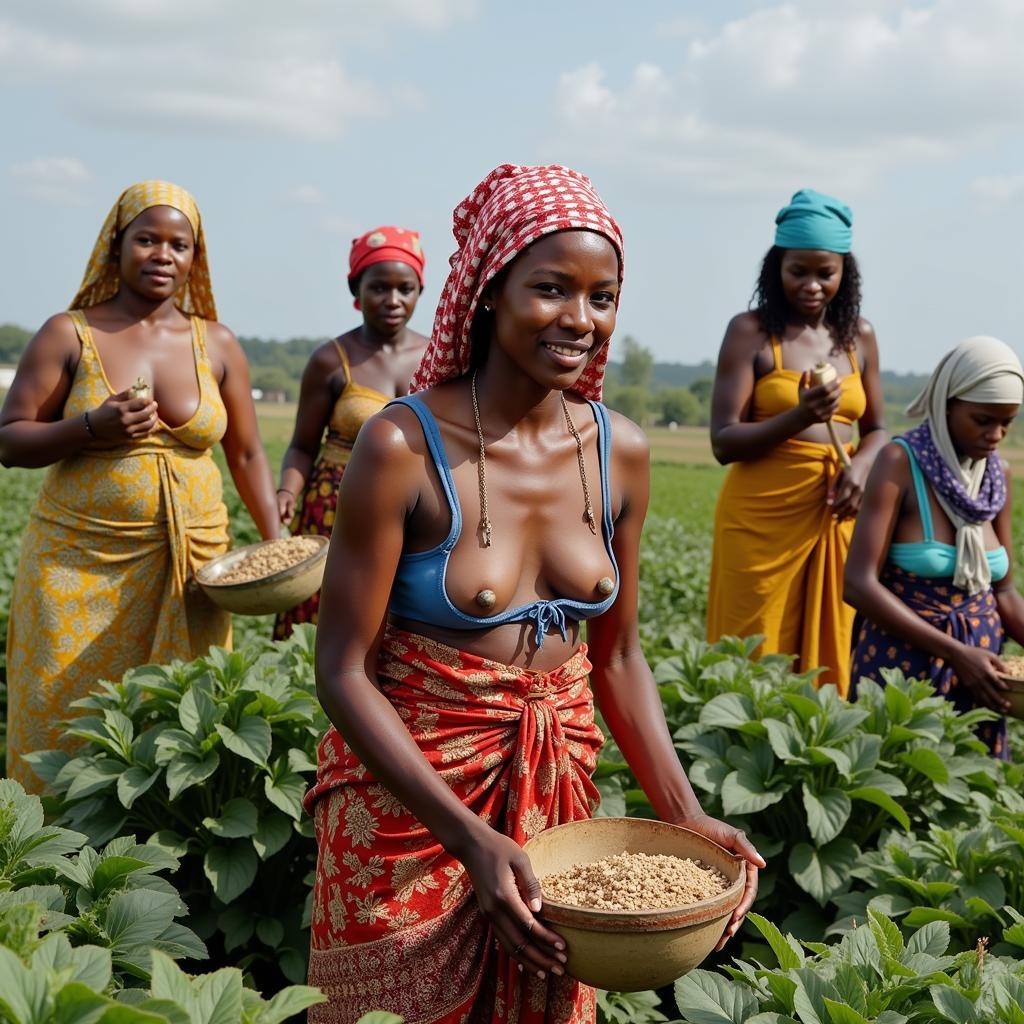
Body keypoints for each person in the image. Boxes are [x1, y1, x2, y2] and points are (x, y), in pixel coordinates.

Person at [303, 164, 764, 1024]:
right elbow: (342, 672)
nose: (580, 321)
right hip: (411, 811)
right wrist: (469, 839)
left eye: (603, 297)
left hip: (553, 814)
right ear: (487, 292)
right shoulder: (403, 444)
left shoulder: (617, 450)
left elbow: (618, 655)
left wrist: (687, 815)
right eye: (551, 289)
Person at [0, 180, 279, 790]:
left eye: (179, 244)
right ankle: (41, 860)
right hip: (79, 565)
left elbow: (250, 452)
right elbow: (10, 439)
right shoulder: (68, 333)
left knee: (181, 723)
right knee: (59, 711)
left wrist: (278, 549)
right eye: (146, 239)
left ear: (194, 258)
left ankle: (169, 865)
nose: (162, 254)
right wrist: (89, 426)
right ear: (115, 245)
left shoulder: (217, 342)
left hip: (191, 571)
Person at [707, 188, 886, 696]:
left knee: (833, 647)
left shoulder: (859, 337)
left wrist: (861, 467)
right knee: (751, 649)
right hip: (760, 518)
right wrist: (799, 416)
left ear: (843, 273)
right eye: (798, 271)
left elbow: (876, 429)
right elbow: (724, 440)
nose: (811, 285)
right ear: (776, 268)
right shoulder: (751, 333)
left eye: (824, 273)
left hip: (836, 510)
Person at [844, 337, 1024, 758]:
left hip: (981, 675)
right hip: (902, 668)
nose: (994, 435)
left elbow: (1004, 592)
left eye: (1007, 423)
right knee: (901, 784)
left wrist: (972, 659)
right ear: (947, 404)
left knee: (969, 796)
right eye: (982, 420)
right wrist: (956, 653)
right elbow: (857, 583)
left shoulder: (996, 475)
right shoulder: (899, 463)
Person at [273, 226, 428, 639]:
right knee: (325, 627)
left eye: (405, 288)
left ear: (419, 291)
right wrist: (288, 491)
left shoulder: (439, 358)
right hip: (333, 510)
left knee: (399, 623)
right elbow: (302, 447)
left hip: (415, 509)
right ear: (356, 288)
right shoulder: (331, 360)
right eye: (379, 287)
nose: (393, 300)